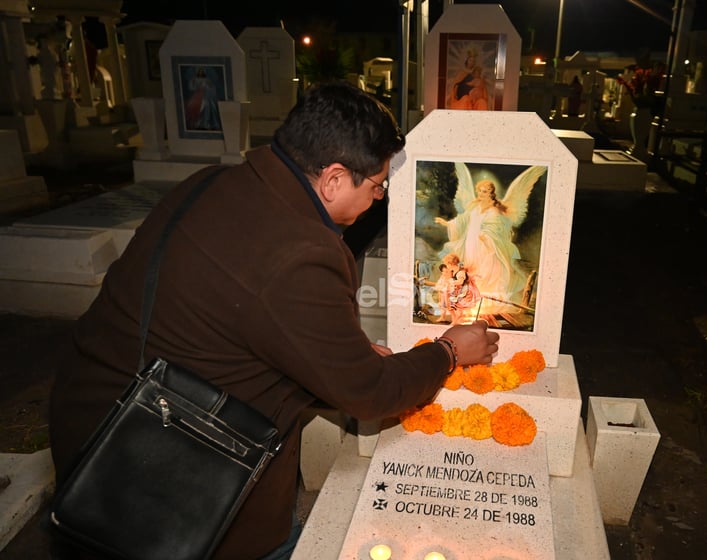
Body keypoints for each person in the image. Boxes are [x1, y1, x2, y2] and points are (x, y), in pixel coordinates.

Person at [48, 82, 499, 560]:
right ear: (333, 179)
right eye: (376, 185)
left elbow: (246, 321)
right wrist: (449, 350)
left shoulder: (215, 184)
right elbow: (370, 393)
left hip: (98, 423)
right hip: (167, 474)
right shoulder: (299, 255)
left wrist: (337, 348)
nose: (379, 198)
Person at [434, 164, 545, 316]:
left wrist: (486, 236)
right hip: (471, 243)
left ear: (491, 193)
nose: (480, 193)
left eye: (484, 191)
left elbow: (498, 228)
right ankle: (469, 299)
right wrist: (447, 223)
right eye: (479, 190)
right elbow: (463, 220)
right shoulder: (474, 205)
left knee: (486, 271)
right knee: (471, 269)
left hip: (487, 246)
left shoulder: (495, 210)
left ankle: (485, 301)